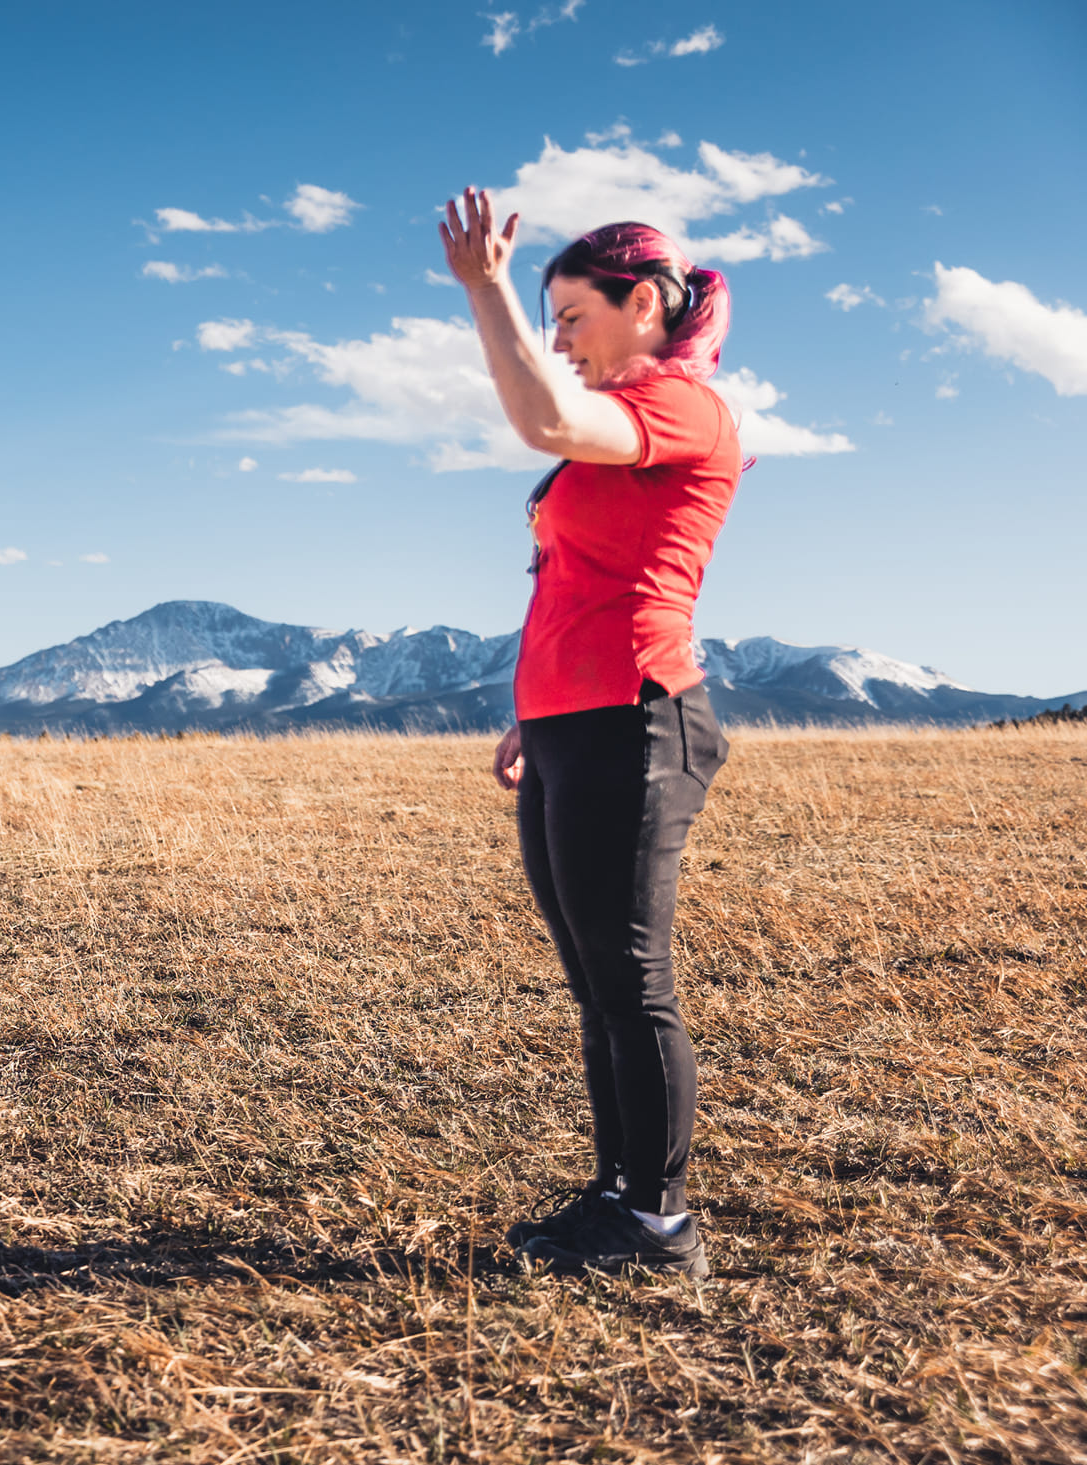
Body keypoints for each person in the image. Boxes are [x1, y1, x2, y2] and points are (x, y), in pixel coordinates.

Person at [439, 190, 740, 1278]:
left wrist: (483, 289)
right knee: (592, 978)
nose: (557, 337)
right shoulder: (612, 436)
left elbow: (544, 419)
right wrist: (530, 709)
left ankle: (657, 1226)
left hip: (636, 715)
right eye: (547, 315)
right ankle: (618, 1192)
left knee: (630, 978)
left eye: (570, 313)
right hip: (572, 721)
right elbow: (564, 579)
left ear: (646, 305)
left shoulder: (681, 409)